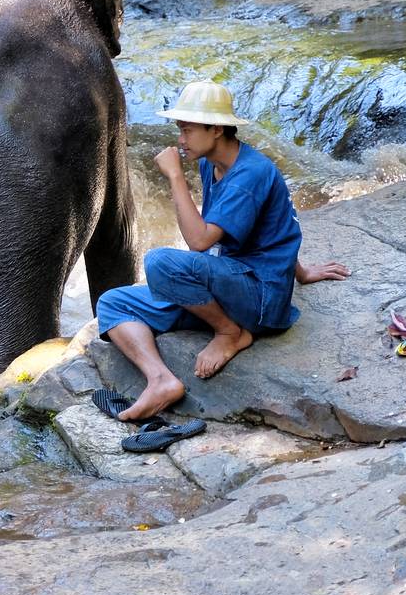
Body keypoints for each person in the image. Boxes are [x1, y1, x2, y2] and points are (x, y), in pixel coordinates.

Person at [95, 81, 350, 421]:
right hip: (229, 287)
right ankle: (160, 380)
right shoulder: (211, 164)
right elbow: (269, 228)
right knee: (112, 302)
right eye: (179, 130)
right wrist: (302, 271)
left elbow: (199, 241)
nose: (180, 140)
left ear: (215, 129)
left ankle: (230, 333)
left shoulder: (251, 174)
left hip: (259, 300)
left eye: (186, 130)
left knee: (159, 262)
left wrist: (174, 177)